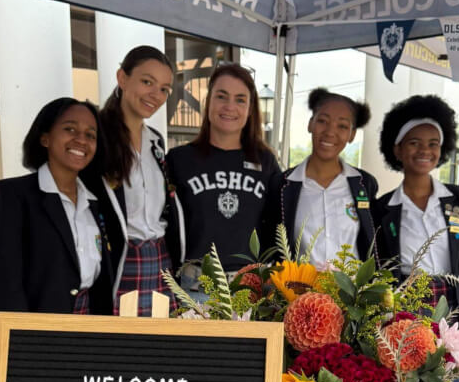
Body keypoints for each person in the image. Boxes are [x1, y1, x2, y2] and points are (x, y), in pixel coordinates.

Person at [0, 97, 117, 379]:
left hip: (88, 341)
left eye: (90, 135)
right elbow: (7, 287)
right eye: (70, 129)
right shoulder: (14, 195)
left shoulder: (97, 202)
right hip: (34, 348)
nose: (81, 140)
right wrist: (27, 355)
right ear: (44, 138)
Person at [374, 93, 459, 349]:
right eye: (414, 143)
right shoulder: (381, 209)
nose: (424, 150)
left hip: (457, 312)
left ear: (441, 150)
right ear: (397, 149)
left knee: (456, 373)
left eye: (433, 144)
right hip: (404, 313)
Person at [84, 45, 184, 316]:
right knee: (118, 341)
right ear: (122, 78)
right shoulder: (95, 137)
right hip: (118, 262)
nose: (156, 95)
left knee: (163, 341)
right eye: (147, 82)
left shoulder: (156, 142)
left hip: (161, 262)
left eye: (164, 89)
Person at [166, 62, 282, 290]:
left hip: (251, 287)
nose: (230, 106)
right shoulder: (179, 160)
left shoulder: (265, 162)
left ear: (250, 109)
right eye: (221, 96)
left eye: (240, 100)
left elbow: (279, 225)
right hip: (195, 285)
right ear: (208, 101)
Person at [277, 87, 378, 266]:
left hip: (353, 284)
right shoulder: (283, 185)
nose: (330, 132)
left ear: (352, 134)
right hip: (299, 284)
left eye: (342, 126)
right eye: (323, 121)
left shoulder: (364, 184)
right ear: (310, 124)